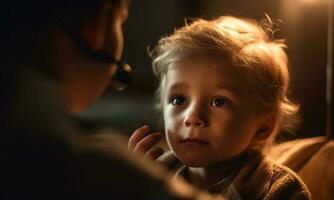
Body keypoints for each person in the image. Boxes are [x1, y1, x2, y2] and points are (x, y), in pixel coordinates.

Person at [0, 0, 222, 199]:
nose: (192, 118)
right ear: (99, 27)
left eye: (219, 101)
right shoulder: (115, 180)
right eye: (121, 21)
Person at [128, 16, 311, 199]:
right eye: (178, 100)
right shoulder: (151, 175)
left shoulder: (279, 189)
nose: (192, 118)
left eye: (219, 102)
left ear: (264, 126)